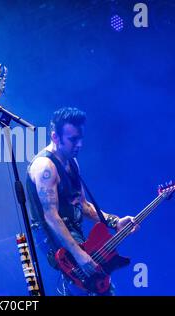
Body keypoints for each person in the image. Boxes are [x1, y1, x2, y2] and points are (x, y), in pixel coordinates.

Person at [26, 107, 138, 296]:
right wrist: (79, 255)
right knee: (97, 288)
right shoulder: (46, 168)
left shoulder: (71, 162)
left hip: (74, 235)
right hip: (55, 240)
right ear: (55, 137)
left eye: (80, 139)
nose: (79, 145)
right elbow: (51, 218)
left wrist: (114, 221)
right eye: (72, 139)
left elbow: (83, 206)